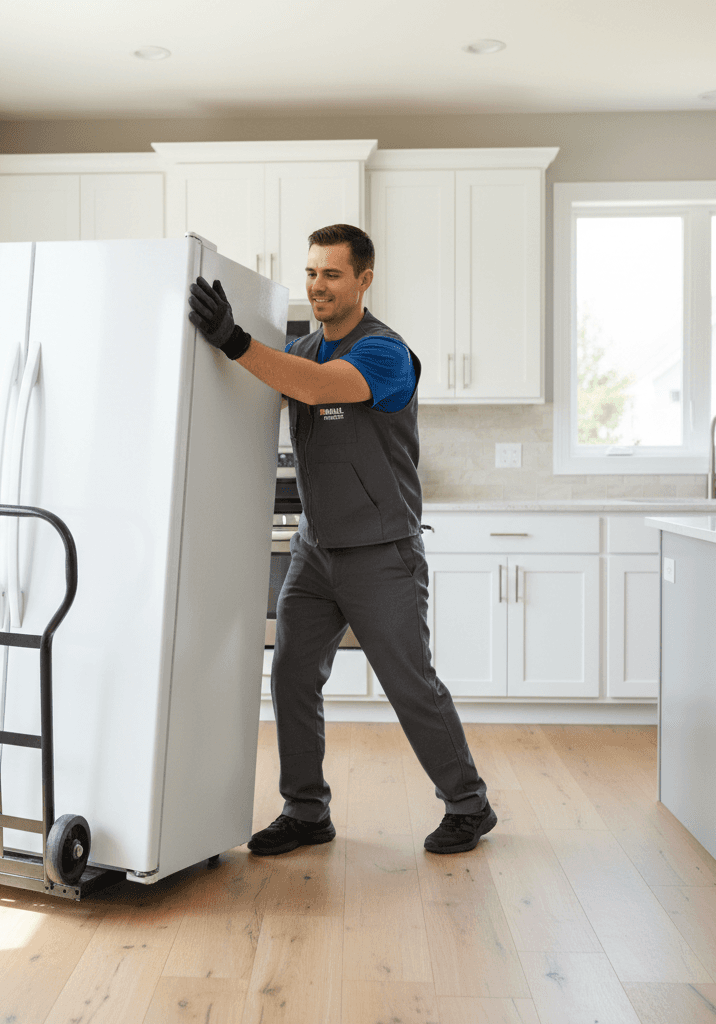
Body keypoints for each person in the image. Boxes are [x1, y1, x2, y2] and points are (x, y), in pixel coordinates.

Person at [187, 223, 494, 857]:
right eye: (310, 272)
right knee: (292, 675)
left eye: (331, 273)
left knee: (409, 684)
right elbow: (255, 395)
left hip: (382, 553)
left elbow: (318, 387)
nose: (317, 285)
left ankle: (469, 803)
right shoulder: (302, 348)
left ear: (363, 279)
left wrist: (235, 339)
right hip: (315, 551)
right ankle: (306, 811)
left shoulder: (384, 352)